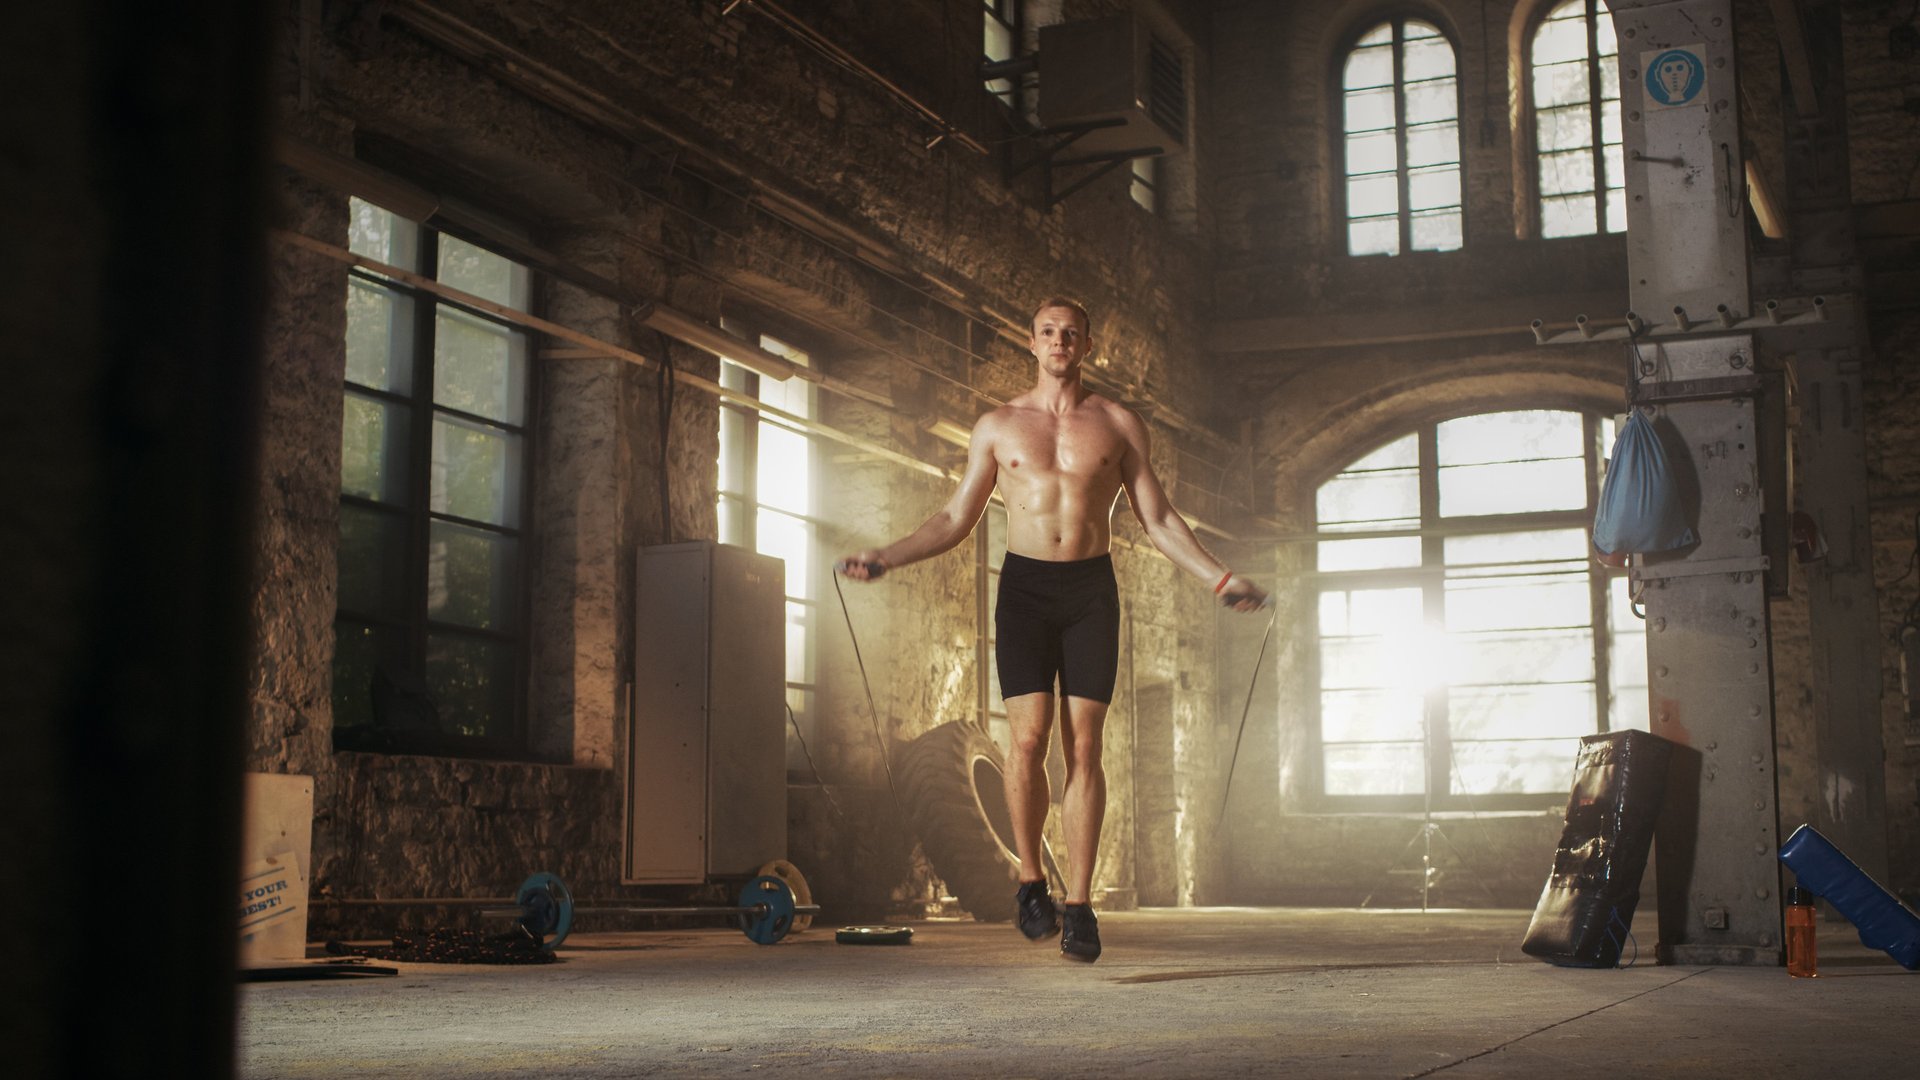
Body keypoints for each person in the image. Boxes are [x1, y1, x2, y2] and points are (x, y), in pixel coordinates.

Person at [838, 297, 1267, 962]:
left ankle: (1082, 905)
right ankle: (1032, 881)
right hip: (1026, 593)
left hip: (1090, 592)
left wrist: (1221, 578)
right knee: (1028, 740)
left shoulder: (1118, 424)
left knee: (1085, 746)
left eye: (1071, 333)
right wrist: (886, 557)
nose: (1059, 341)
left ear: (1087, 345)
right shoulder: (998, 426)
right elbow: (954, 519)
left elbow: (1158, 519)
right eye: (1048, 332)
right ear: (1031, 343)